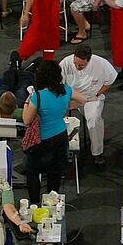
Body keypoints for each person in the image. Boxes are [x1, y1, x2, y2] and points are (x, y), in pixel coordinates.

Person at [23, 60, 88, 203]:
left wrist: (27, 101)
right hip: (60, 138)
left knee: (33, 172)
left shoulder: (38, 96)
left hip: (41, 141)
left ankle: (35, 203)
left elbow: (27, 120)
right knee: (55, 172)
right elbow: (83, 100)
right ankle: (51, 205)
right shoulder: (66, 90)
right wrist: (66, 106)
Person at [60, 44, 117, 169]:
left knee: (94, 119)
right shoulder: (65, 63)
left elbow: (110, 81)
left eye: (81, 65)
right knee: (55, 114)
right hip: (71, 96)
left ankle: (97, 153)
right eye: (76, 63)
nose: (77, 67)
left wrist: (97, 94)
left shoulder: (101, 64)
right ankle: (59, 149)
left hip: (91, 98)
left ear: (89, 60)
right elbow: (59, 85)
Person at [0, 54, 42, 120]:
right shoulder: (22, 115)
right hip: (19, 106)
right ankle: (28, 71)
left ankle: (13, 68)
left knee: (6, 85)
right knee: (22, 89)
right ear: (16, 107)